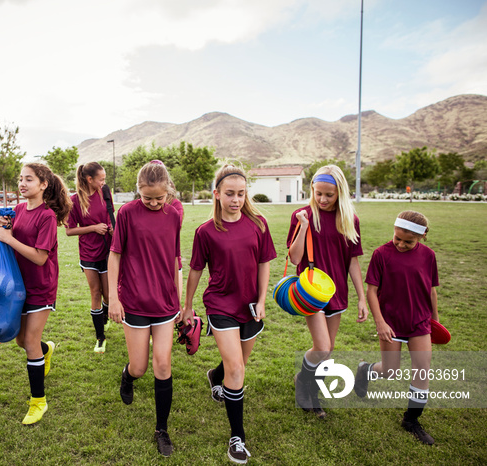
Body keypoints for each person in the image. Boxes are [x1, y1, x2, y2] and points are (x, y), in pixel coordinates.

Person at [183, 165, 276, 464]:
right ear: (217, 194)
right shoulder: (206, 231)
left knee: (236, 365)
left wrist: (262, 299)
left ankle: (215, 375)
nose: (235, 200)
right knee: (237, 370)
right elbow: (196, 270)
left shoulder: (258, 224)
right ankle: (237, 437)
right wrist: (187, 306)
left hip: (250, 306)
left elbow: (264, 263)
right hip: (220, 305)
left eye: (241, 193)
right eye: (229, 194)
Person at [108, 160, 181, 457]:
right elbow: (114, 256)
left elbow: (175, 258)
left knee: (162, 364)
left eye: (158, 198)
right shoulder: (126, 213)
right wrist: (113, 297)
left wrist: (179, 301)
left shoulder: (174, 214)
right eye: (146, 197)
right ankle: (128, 376)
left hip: (165, 302)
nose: (152, 203)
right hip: (134, 299)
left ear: (168, 193)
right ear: (137, 191)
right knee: (140, 367)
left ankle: (161, 429)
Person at [0, 163, 71, 425]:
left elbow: (39, 258)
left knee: (29, 343)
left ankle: (39, 402)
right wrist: (4, 228)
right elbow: (8, 238)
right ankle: (47, 350)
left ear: (43, 184)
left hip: (40, 286)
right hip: (18, 285)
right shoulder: (17, 210)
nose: (22, 184)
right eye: (20, 179)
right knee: (22, 341)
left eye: (29, 179)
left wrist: (9, 239)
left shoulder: (47, 216)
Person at [287, 165, 368, 418]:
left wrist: (362, 297)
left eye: (329, 195)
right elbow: (294, 257)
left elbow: (353, 261)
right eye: (318, 193)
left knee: (328, 349)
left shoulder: (349, 220)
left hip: (337, 292)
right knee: (321, 346)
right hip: (311, 292)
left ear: (340, 193)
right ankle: (304, 384)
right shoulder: (302, 215)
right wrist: (302, 227)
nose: (322, 199)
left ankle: (307, 381)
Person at [354, 211, 438, 445]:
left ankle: (411, 420)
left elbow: (431, 290)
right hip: (390, 321)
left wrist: (435, 323)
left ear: (421, 237)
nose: (400, 244)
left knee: (422, 369)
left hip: (420, 322)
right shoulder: (382, 254)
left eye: (408, 242)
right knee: (391, 371)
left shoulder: (429, 256)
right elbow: (371, 290)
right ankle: (366, 369)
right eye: (397, 238)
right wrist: (379, 322)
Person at [66, 162, 113, 353]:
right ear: (89, 179)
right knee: (95, 292)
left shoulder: (105, 193)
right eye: (101, 179)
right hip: (88, 253)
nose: (104, 182)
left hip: (108, 251)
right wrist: (93, 228)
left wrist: (110, 227)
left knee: (108, 295)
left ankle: (104, 315)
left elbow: (111, 217)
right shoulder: (74, 201)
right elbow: (69, 230)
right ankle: (100, 337)